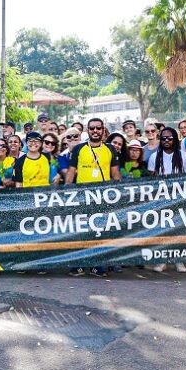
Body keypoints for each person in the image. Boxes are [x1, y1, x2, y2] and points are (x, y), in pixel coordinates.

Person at [64, 118, 122, 277]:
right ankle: (78, 264)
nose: (95, 131)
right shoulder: (78, 149)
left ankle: (98, 265)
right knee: (81, 232)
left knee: (100, 232)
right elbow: (71, 172)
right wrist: (67, 193)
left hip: (103, 198)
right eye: (92, 128)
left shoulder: (110, 149)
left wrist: (118, 195)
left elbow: (116, 174)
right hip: (81, 198)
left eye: (98, 128)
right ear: (87, 130)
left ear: (103, 130)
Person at [147, 126, 186, 273]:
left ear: (175, 139)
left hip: (179, 199)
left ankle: (178, 260)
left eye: (170, 138)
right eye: (163, 138)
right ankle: (162, 260)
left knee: (178, 231)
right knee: (162, 231)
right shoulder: (155, 157)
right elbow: (151, 180)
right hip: (160, 200)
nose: (166, 140)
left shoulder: (184, 156)